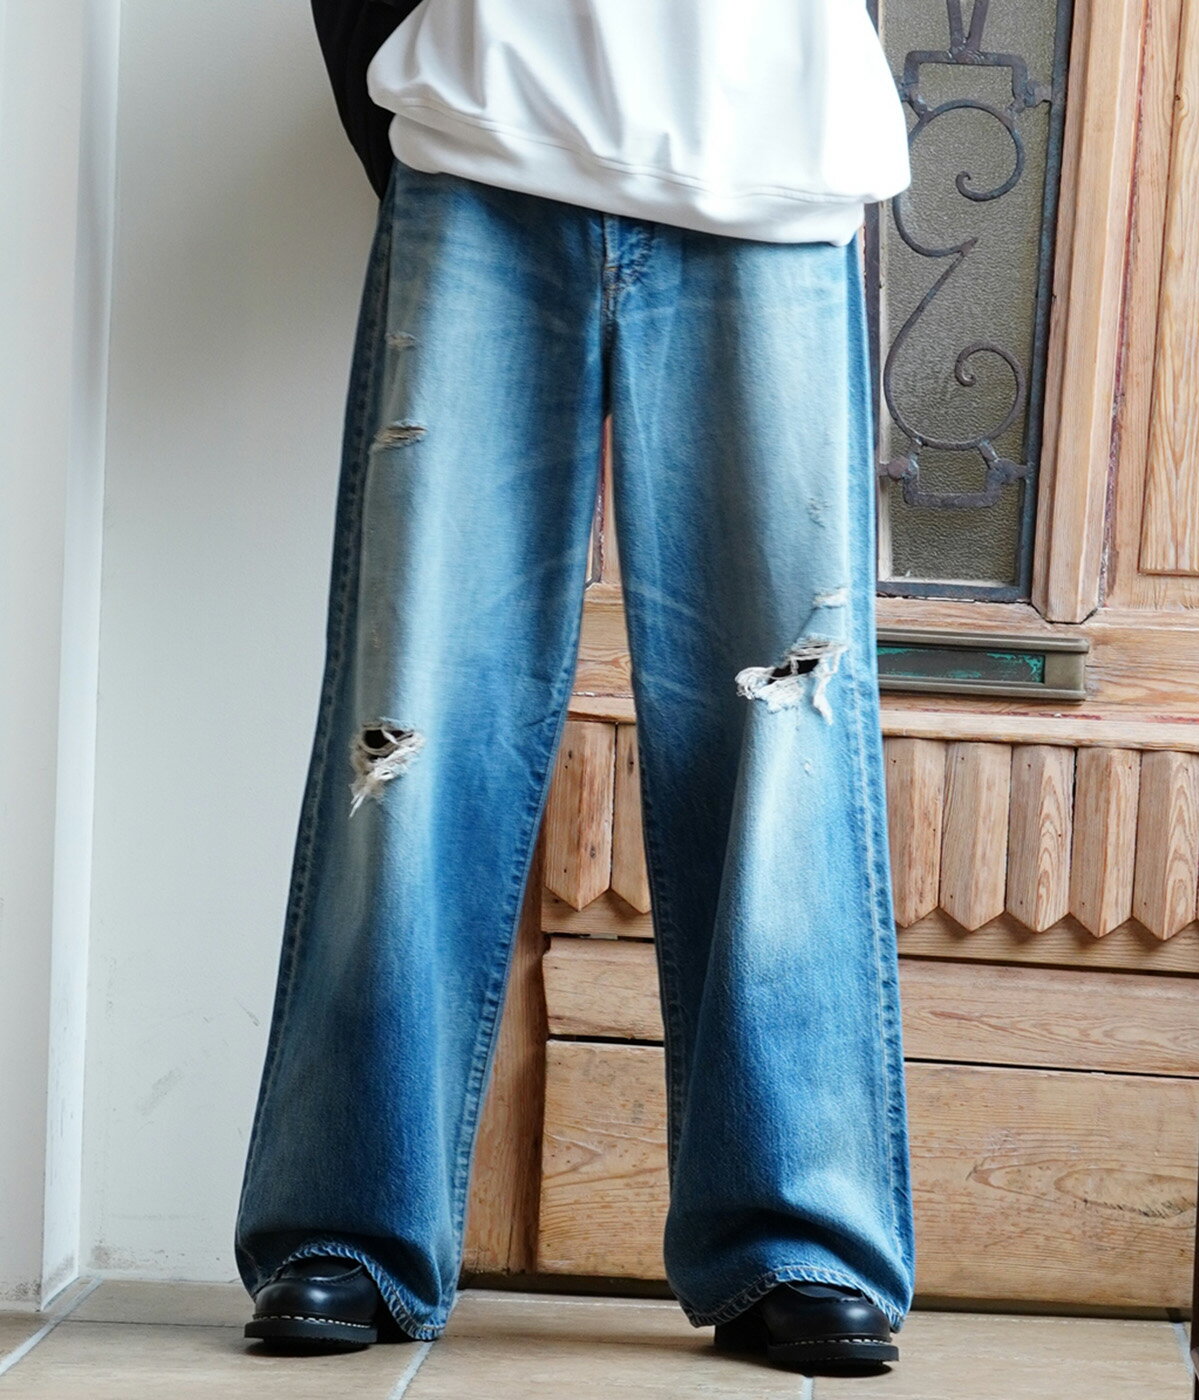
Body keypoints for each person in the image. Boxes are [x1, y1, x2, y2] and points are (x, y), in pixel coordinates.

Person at [234, 0, 916, 1376]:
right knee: (412, 718)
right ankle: (350, 1219)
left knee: (781, 732)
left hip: (772, 165)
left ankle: (797, 1228)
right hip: (483, 145)